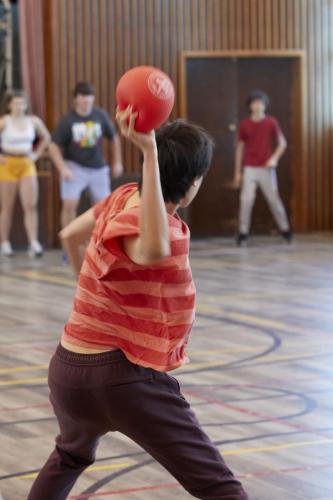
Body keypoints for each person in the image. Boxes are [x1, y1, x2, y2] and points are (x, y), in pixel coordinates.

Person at [27, 107, 249, 500]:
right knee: (220, 488)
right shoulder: (165, 230)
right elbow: (152, 248)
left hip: (67, 369)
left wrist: (91, 284)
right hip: (120, 377)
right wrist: (147, 153)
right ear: (194, 182)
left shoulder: (121, 196)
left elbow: (68, 234)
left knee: (70, 455)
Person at [49, 81, 123, 231]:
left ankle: (99, 243)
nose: (86, 100)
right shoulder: (68, 120)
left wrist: (117, 162)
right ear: (76, 99)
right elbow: (53, 145)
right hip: (74, 168)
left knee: (103, 206)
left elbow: (114, 137)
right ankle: (68, 247)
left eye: (89, 96)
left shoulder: (100, 115)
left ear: (93, 98)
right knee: (69, 204)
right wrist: (62, 168)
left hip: (98, 168)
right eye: (82, 96)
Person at [233, 90, 292, 246]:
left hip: (266, 168)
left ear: (265, 105)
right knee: (246, 200)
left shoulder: (271, 122)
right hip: (249, 168)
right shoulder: (245, 124)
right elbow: (240, 148)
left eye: (260, 102)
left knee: (274, 200)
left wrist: (274, 159)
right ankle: (242, 233)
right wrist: (237, 172)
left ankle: (285, 230)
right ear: (250, 106)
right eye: (255, 102)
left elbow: (282, 143)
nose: (258, 105)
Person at [0, 90, 50, 257]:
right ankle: (5, 243)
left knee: (30, 205)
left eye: (22, 103)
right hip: (8, 163)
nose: (19, 106)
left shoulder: (33, 121)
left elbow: (46, 137)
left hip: (27, 162)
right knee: (7, 206)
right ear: (9, 105)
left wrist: (36, 154)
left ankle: (33, 242)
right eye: (15, 103)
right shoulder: (4, 121)